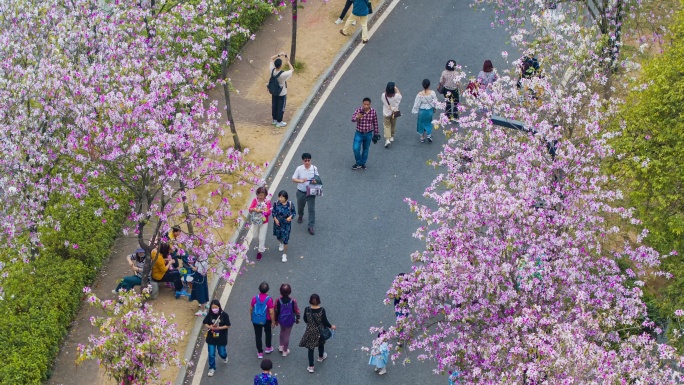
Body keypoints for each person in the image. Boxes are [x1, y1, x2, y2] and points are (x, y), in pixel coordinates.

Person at [299, 293, 336, 373]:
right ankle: (320, 356)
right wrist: (331, 326)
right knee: (321, 343)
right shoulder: (322, 310)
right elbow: (325, 321)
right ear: (319, 301)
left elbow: (305, 319)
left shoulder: (307, 309)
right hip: (320, 330)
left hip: (310, 330)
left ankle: (311, 366)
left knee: (311, 348)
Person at [291, 153, 319, 236]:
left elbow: (317, 178)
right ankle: (300, 215)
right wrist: (301, 181)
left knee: (311, 209)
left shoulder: (314, 168)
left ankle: (311, 226)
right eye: (305, 160)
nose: (307, 162)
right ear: (303, 161)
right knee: (300, 206)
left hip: (311, 192)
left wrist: (315, 181)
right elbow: (293, 179)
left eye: (308, 160)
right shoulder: (299, 169)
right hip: (301, 191)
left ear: (311, 160)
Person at [203, 299, 231, 377]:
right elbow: (205, 323)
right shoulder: (209, 315)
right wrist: (210, 326)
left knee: (221, 352)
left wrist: (219, 328)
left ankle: (224, 357)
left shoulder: (224, 315)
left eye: (216, 307)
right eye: (212, 307)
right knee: (211, 354)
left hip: (221, 338)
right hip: (211, 338)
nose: (214, 309)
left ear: (219, 307)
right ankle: (212, 368)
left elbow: (228, 325)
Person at [350, 97, 379, 170]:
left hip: (368, 134)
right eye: (364, 104)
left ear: (370, 104)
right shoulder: (359, 110)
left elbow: (375, 123)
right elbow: (352, 119)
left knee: (365, 149)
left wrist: (376, 134)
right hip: (359, 133)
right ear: (362, 104)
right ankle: (359, 162)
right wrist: (357, 117)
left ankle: (362, 163)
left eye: (367, 105)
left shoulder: (373, 112)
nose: (366, 106)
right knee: (356, 148)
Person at [251, 282, 276, 359]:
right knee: (268, 333)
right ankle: (268, 347)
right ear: (267, 290)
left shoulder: (255, 298)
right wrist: (273, 321)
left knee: (258, 335)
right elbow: (271, 311)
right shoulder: (269, 299)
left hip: (256, 319)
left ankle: (260, 352)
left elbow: (251, 309)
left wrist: (251, 317)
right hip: (266, 319)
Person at [269, 52, 294, 128]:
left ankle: (274, 120)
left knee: (274, 105)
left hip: (274, 91)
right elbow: (292, 69)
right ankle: (279, 122)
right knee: (281, 107)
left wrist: (279, 55)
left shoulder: (272, 70)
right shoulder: (283, 74)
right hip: (282, 92)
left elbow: (271, 58)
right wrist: (288, 61)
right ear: (280, 65)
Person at [275, 283, 300, 357]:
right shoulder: (293, 301)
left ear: (280, 292)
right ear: (290, 292)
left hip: (281, 319)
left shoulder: (278, 300)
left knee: (282, 331)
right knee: (287, 335)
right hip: (289, 320)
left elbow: (276, 310)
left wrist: (276, 319)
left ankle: (281, 346)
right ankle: (285, 351)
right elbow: (296, 310)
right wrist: (298, 318)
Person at [249, 186, 272, 261]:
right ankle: (260, 244)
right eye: (259, 195)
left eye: (262, 195)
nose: (261, 197)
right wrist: (254, 209)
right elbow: (250, 209)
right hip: (256, 221)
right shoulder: (255, 200)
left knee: (262, 238)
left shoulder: (267, 202)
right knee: (255, 236)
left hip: (264, 222)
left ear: (265, 195)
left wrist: (263, 211)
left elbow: (268, 212)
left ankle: (260, 251)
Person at [412, 79, 439, 143]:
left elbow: (417, 103)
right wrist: (435, 107)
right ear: (429, 85)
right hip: (429, 110)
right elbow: (435, 101)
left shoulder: (420, 94)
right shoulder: (432, 93)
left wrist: (415, 110)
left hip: (422, 111)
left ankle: (422, 137)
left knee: (421, 123)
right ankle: (429, 135)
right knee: (428, 122)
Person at [272, 190, 296, 262]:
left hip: (286, 224)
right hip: (278, 223)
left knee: (286, 239)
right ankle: (281, 242)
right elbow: (273, 212)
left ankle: (284, 254)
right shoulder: (276, 203)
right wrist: (275, 219)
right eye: (279, 197)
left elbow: (294, 212)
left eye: (282, 197)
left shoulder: (290, 204)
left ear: (286, 198)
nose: (280, 198)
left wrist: (290, 217)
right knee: (278, 237)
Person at [381, 82, 402, 148]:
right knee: (393, 124)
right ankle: (392, 136)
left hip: (386, 113)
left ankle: (387, 139)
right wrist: (396, 88)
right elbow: (400, 95)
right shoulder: (397, 97)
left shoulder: (383, 95)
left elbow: (383, 97)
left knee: (387, 125)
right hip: (394, 113)